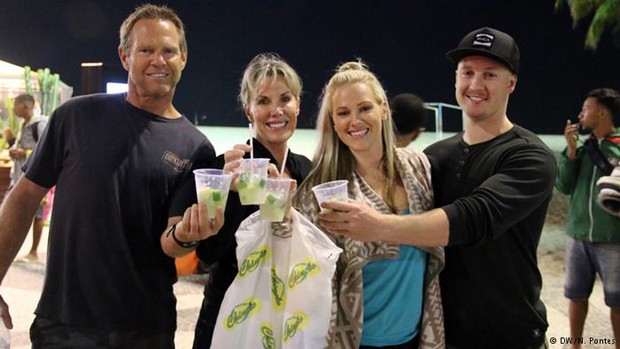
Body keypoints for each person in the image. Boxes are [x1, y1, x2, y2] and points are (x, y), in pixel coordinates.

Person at [318, 27, 557, 349]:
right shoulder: (432, 159)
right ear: (456, 78)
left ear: (511, 83)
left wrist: (378, 226)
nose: (475, 85)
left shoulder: (530, 156)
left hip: (509, 332)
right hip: (440, 333)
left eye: (490, 75)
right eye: (467, 72)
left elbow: (475, 218)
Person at [0, 4, 220, 348]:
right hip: (64, 324)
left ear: (184, 58)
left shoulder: (197, 149)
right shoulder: (74, 117)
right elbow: (24, 197)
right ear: (124, 56)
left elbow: (174, 241)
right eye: (145, 50)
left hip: (146, 330)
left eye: (168, 51)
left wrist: (193, 235)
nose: (158, 61)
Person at [162, 52, 312, 349]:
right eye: (263, 101)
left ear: (298, 104)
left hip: (287, 314)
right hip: (228, 314)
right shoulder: (226, 168)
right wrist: (228, 195)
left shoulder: (306, 169)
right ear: (248, 110)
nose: (276, 111)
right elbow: (208, 255)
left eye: (285, 99)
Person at [292, 61, 445, 349]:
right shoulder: (320, 191)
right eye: (343, 113)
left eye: (364, 108)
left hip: (417, 336)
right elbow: (304, 281)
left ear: (383, 109)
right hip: (355, 341)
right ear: (334, 124)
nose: (355, 120)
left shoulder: (418, 168)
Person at [556, 88, 620, 348]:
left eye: (587, 108)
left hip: (613, 238)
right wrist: (571, 152)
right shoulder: (583, 148)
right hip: (578, 235)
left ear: (602, 112)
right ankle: (575, 345)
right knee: (576, 297)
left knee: (618, 302)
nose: (581, 113)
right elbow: (564, 186)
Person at [7, 93, 48, 262]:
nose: (14, 109)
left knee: (37, 213)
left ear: (25, 106)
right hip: (20, 175)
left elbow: (46, 149)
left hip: (35, 178)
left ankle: (33, 251)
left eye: (15, 105)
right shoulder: (25, 125)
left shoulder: (40, 124)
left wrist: (25, 153)